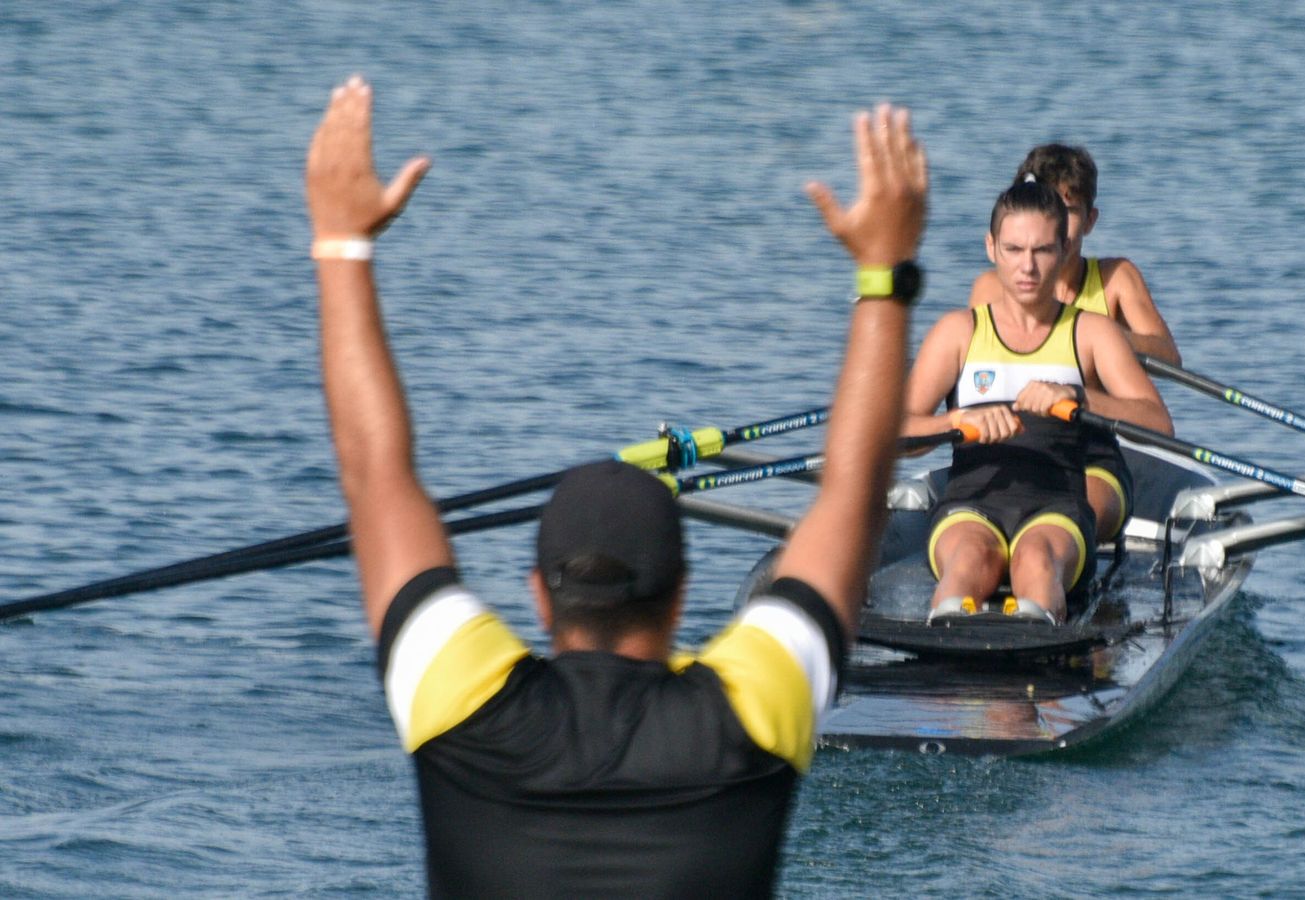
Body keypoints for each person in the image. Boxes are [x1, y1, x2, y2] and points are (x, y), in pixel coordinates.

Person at [306, 76, 926, 897]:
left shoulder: (460, 697)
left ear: (537, 594)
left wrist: (342, 244)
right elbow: (854, 490)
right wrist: (884, 275)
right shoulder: (750, 708)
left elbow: (375, 473)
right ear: (683, 599)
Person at [903, 180, 1171, 625]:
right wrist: (959, 419)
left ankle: (1036, 630)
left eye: (1042, 251)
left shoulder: (1090, 332)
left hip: (1058, 504)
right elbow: (898, 432)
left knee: (1036, 558)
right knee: (970, 559)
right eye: (1013, 249)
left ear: (1064, 250)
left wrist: (1080, 397)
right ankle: (947, 632)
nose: (1027, 266)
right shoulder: (957, 332)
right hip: (971, 500)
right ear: (991, 248)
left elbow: (1157, 423)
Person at [969, 144, 1180, 544]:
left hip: (1088, 446)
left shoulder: (1116, 278)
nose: (1057, 224)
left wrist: (1094, 337)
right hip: (1013, 446)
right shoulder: (989, 288)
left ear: (1090, 220)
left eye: (1069, 210)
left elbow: (1168, 355)